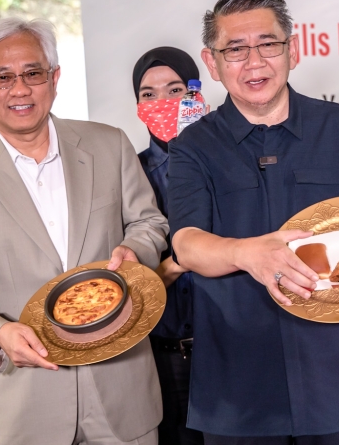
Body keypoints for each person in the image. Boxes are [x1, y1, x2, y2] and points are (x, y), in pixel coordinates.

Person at [0, 17, 169, 445]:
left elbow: (149, 221)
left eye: (33, 73)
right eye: (2, 77)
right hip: (24, 400)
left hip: (120, 391)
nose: (20, 89)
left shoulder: (109, 145)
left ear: (54, 78)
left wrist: (134, 251)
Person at [167, 0, 339, 444]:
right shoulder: (193, 147)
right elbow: (186, 243)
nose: (254, 62)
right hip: (237, 385)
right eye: (235, 49)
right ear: (211, 63)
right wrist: (248, 253)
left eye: (268, 44)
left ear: (294, 49)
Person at [133, 46, 204, 445]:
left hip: (230, 348)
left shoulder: (228, 161)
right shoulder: (130, 172)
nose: (161, 102)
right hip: (162, 355)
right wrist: (174, 265)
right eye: (148, 94)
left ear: (195, 95)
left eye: (175, 90)